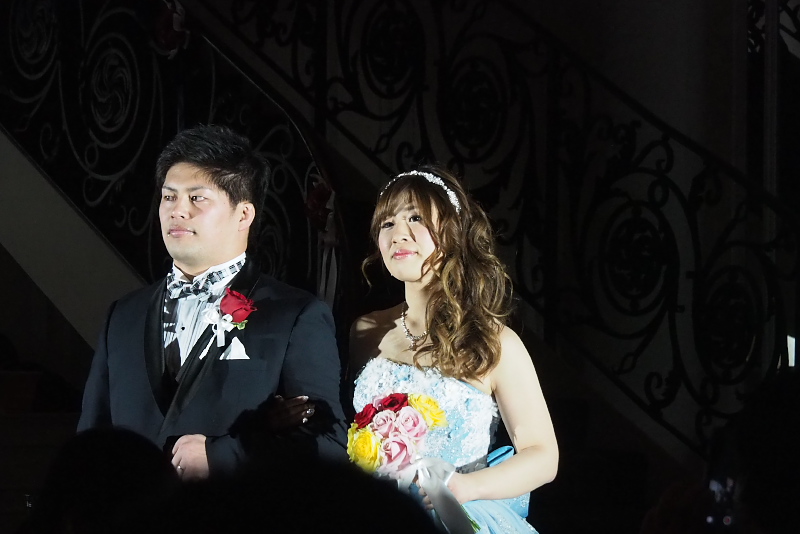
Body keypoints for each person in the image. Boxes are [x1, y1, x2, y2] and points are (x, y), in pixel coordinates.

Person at [78, 124, 348, 480]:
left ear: (243, 215)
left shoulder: (294, 315)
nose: (177, 211)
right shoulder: (124, 314)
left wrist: (222, 456)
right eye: (169, 197)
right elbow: (89, 443)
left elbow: (328, 444)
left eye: (197, 198)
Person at [349, 167, 559, 533]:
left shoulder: (496, 342)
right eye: (387, 223)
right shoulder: (365, 331)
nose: (399, 233)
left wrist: (465, 487)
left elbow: (543, 457)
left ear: (452, 233)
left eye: (415, 218)